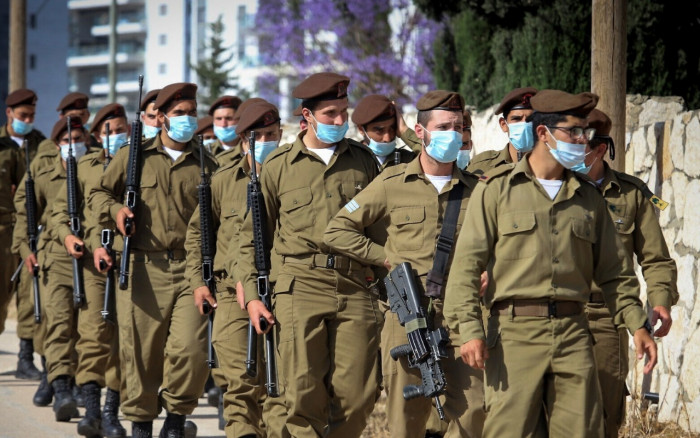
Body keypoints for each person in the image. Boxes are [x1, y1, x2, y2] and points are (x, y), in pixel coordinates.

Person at [444, 89, 658, 438]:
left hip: (574, 334)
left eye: (585, 132)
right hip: (514, 335)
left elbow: (615, 274)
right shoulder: (496, 191)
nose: (582, 140)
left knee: (583, 431)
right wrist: (469, 330)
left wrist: (637, 325)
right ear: (543, 133)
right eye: (573, 131)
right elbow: (466, 267)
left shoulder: (589, 199)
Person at [325, 90, 485, 438]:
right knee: (406, 418)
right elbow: (337, 230)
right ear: (420, 131)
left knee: (474, 412)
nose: (452, 135)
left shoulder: (480, 190)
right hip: (408, 314)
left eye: (458, 127)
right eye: (443, 127)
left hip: (463, 313)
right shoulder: (392, 183)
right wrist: (385, 257)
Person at [234, 72, 381, 438]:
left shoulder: (363, 161)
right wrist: (252, 296)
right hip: (299, 285)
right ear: (307, 115)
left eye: (344, 111)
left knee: (359, 396)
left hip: (354, 285)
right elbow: (252, 239)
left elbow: (380, 230)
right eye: (330, 113)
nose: (340, 120)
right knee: (301, 394)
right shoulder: (278, 166)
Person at [89, 82, 218, 437]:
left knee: (192, 351)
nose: (188, 119)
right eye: (179, 113)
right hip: (142, 268)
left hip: (191, 271)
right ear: (160, 118)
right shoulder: (134, 157)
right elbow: (98, 193)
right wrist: (116, 211)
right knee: (140, 354)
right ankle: (141, 424)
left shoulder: (208, 163)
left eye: (192, 112)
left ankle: (175, 419)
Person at [186, 100, 289, 438]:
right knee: (242, 380)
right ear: (244, 139)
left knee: (280, 384)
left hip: (283, 291)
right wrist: (199, 283)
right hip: (232, 293)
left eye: (273, 134)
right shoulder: (223, 180)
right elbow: (198, 234)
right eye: (260, 136)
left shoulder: (292, 174)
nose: (268, 141)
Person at [574, 109, 678, 437]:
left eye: (580, 144)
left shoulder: (632, 194)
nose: (570, 150)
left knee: (605, 415)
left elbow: (656, 258)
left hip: (608, 316)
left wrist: (660, 301)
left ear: (600, 148)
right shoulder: (553, 188)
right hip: (558, 313)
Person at [51, 103, 129, 437]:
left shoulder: (139, 164)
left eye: (121, 130)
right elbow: (59, 213)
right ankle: (92, 410)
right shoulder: (84, 167)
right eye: (109, 131)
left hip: (131, 262)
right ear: (96, 136)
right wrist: (68, 237)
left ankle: (112, 411)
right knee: (94, 335)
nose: (116, 136)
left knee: (124, 340)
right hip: (94, 265)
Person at [13, 117, 90, 421]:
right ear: (57, 144)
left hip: (89, 254)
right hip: (54, 254)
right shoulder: (42, 171)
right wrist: (25, 250)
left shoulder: (96, 167)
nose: (74, 145)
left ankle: (80, 382)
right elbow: (25, 213)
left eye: (79, 139)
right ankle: (60, 387)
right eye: (68, 140)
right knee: (57, 323)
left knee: (86, 327)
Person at [0, 89, 44, 381]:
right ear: (9, 113)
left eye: (31, 116)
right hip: (2, 228)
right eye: (22, 115)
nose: (27, 121)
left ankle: (25, 358)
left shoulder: (40, 144)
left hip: (31, 229)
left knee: (29, 294)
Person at [467, 87, 537, 176]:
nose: (524, 125)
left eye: (530, 119)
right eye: (516, 119)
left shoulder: (551, 166)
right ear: (503, 124)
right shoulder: (481, 167)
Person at [351, 94, 416, 170]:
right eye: (379, 131)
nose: (387, 139)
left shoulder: (408, 160)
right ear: (361, 129)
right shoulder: (349, 162)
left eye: (392, 129)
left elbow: (428, 157)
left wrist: (404, 131)